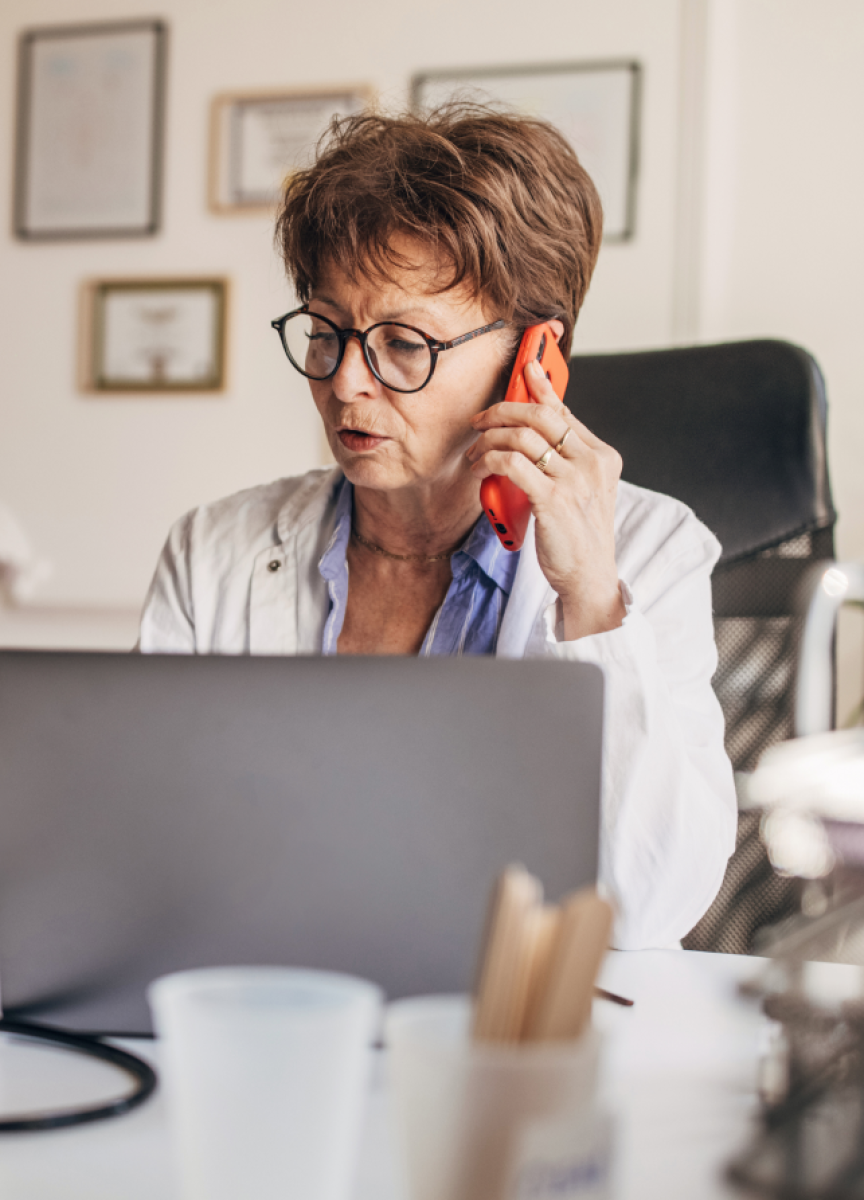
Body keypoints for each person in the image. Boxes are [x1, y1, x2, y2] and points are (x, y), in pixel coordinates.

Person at [138, 104, 736, 950]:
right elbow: (145, 856)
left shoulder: (650, 553)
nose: (346, 383)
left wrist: (589, 597)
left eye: (404, 344)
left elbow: (644, 909)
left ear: (533, 358)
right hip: (279, 1002)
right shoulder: (215, 552)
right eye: (326, 332)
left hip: (523, 1042)